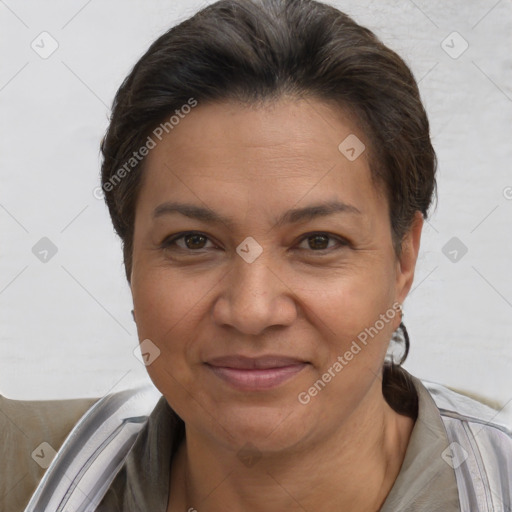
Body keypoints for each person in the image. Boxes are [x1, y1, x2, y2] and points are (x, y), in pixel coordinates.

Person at [1, 0, 510, 511]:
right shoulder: (22, 472)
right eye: (193, 241)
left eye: (318, 242)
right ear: (130, 258)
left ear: (404, 260)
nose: (251, 310)